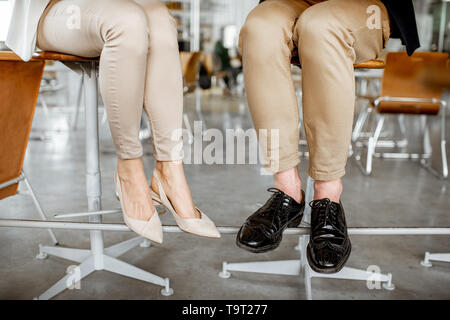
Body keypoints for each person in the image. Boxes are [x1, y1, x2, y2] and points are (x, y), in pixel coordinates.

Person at [6, 0, 221, 243]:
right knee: (126, 20)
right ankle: (128, 169)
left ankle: (169, 171)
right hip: (53, 11)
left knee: (161, 19)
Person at [236, 0, 419, 273]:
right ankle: (287, 190)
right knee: (259, 27)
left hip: (363, 5)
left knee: (321, 26)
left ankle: (328, 196)